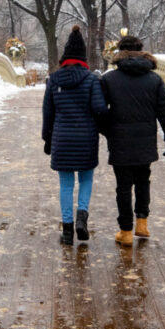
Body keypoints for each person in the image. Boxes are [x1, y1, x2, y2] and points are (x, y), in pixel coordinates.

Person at [99, 34, 165, 246]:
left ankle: (125, 232)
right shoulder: (154, 79)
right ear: (142, 51)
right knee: (143, 181)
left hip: (120, 142)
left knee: (123, 187)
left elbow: (98, 111)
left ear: (119, 53)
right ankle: (142, 223)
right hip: (145, 142)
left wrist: (109, 130)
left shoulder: (108, 80)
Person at [41, 26, 107, 245]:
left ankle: (67, 230)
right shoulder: (90, 80)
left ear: (64, 57)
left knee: (66, 184)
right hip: (86, 138)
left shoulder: (53, 80)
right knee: (86, 179)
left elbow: (47, 114)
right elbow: (99, 109)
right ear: (83, 58)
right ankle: (82, 218)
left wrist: (47, 140)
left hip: (62, 138)